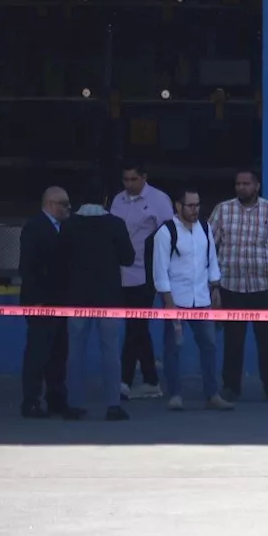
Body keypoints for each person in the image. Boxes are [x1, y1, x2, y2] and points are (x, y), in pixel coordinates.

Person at [210, 168, 268, 403]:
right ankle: (231, 387)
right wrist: (210, 282)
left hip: (265, 286)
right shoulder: (223, 210)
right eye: (238, 184)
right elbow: (208, 244)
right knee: (233, 341)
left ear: (257, 186)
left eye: (246, 184)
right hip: (231, 286)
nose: (241, 187)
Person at [151, 187, 234, 411]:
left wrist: (215, 290)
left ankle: (212, 394)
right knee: (173, 348)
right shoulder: (166, 232)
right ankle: (175, 394)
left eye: (197, 205)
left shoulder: (205, 228)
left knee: (209, 346)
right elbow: (160, 271)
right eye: (190, 205)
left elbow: (211, 261)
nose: (195, 210)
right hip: (176, 299)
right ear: (178, 206)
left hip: (202, 299)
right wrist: (168, 303)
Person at [59, 180, 136, 421]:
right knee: (111, 353)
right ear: (105, 200)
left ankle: (73, 404)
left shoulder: (69, 225)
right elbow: (128, 258)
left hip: (77, 298)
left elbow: (61, 259)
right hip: (109, 298)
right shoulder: (115, 224)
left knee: (75, 352)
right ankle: (113, 404)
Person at [109, 161, 175, 400]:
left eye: (133, 180)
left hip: (147, 274)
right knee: (138, 327)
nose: (129, 184)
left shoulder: (159, 200)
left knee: (135, 327)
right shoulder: (118, 200)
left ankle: (125, 380)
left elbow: (169, 234)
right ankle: (150, 380)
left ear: (144, 177)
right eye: (125, 180)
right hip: (121, 274)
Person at [17, 186, 75, 419]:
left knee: (59, 352)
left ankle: (56, 399)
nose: (68, 209)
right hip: (40, 302)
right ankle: (31, 401)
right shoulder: (34, 227)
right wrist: (36, 300)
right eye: (64, 204)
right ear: (51, 204)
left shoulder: (65, 228)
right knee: (38, 353)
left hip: (61, 302)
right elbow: (28, 268)